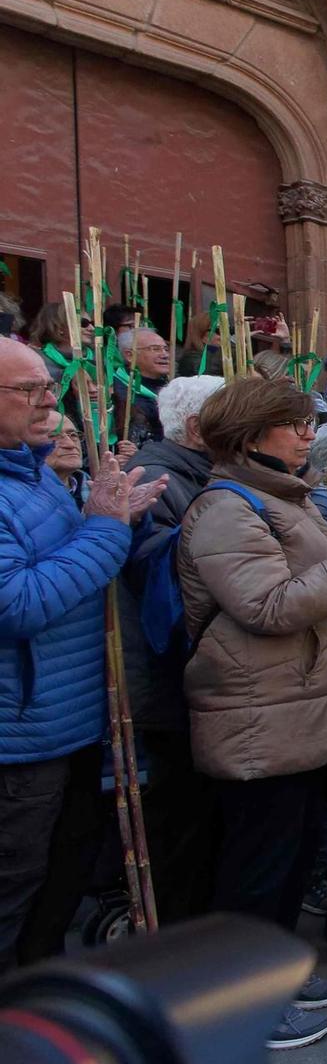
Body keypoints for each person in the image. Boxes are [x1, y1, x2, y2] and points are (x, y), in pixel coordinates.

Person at [177, 377, 327, 1047]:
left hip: (292, 711)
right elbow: (266, 607)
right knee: (259, 869)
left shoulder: (283, 498)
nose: (308, 434)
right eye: (294, 423)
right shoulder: (226, 508)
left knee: (290, 858)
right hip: (257, 715)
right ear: (250, 435)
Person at [0, 343, 161, 968]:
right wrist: (104, 529)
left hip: (65, 722)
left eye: (49, 385)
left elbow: (77, 563)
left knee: (56, 879)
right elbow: (20, 602)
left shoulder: (33, 473)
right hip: (21, 737)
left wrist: (122, 519)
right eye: (28, 390)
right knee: (14, 887)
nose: (50, 399)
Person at [122, 374, 225, 925]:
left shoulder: (200, 473)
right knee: (181, 822)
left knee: (203, 819)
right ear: (195, 427)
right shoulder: (160, 479)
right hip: (173, 677)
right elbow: (163, 581)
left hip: (199, 674)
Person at [114, 327, 172, 445]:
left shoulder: (171, 385)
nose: (165, 355)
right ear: (130, 355)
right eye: (155, 349)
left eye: (166, 349)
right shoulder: (119, 388)